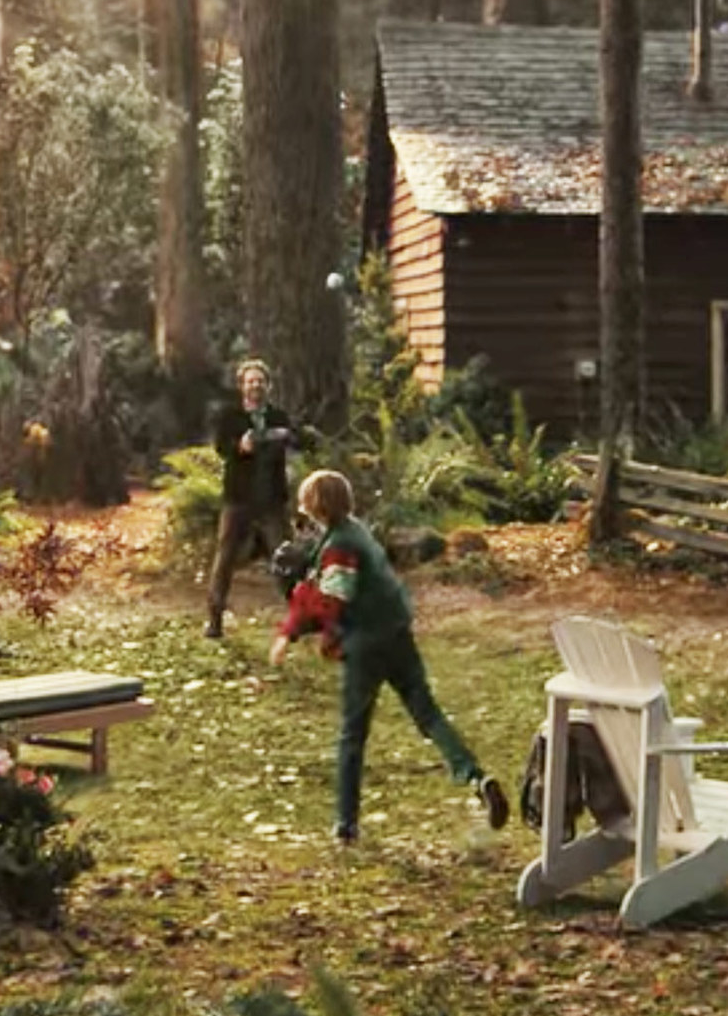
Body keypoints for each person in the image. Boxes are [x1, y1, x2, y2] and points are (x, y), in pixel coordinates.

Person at [270, 467, 510, 844]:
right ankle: (476, 777)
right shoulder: (356, 531)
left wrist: (291, 626)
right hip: (398, 634)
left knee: (353, 733)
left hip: (366, 644)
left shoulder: (339, 547)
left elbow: (332, 601)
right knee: (427, 714)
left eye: (305, 502)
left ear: (317, 505)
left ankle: (345, 825)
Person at [204, 358, 298, 639]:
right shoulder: (230, 417)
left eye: (260, 381)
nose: (255, 385)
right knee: (225, 556)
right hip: (238, 498)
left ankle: (299, 616)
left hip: (272, 499)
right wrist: (241, 446)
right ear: (242, 386)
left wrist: (285, 437)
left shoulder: (279, 417)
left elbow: (297, 442)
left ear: (268, 385)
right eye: (250, 381)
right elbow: (221, 448)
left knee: (285, 557)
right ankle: (214, 618)